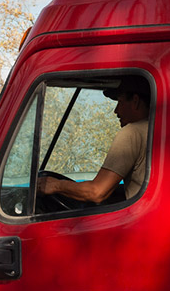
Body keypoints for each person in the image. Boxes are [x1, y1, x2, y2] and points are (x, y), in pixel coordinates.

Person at [37, 75, 151, 205]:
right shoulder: (158, 130)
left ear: (135, 101)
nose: (116, 111)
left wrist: (55, 185)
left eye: (120, 102)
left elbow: (97, 192)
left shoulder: (133, 132)